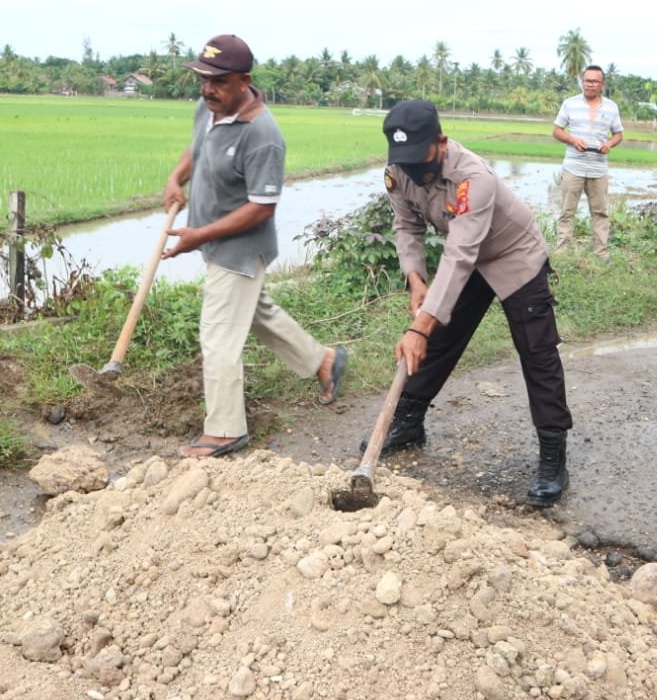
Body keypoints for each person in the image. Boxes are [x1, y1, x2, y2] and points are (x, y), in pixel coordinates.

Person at [370, 99, 574, 507]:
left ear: (441, 143)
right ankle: (408, 423)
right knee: (441, 338)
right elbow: (406, 225)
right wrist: (415, 280)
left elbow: (460, 252)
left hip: (513, 255)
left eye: (419, 159)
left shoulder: (473, 177)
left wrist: (417, 326)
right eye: (404, 161)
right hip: (467, 259)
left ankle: (554, 456)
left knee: (537, 352)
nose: (412, 171)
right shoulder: (399, 171)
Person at [161, 34, 347, 459]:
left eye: (219, 81)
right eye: (203, 79)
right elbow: (197, 149)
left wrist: (199, 236)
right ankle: (324, 362)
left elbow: (262, 208)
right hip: (214, 241)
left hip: (239, 249)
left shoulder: (262, 135)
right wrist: (176, 178)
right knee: (257, 313)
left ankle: (225, 430)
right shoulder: (209, 108)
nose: (208, 88)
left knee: (218, 338)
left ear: (244, 81)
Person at [552, 65, 624, 261]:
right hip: (573, 167)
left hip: (598, 169)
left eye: (594, 81)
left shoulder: (611, 107)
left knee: (600, 212)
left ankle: (601, 253)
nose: (590, 84)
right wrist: (573, 140)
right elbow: (557, 131)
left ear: (602, 85)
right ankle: (561, 252)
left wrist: (609, 144)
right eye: (587, 80)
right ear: (582, 82)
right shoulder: (569, 103)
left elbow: (618, 135)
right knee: (567, 211)